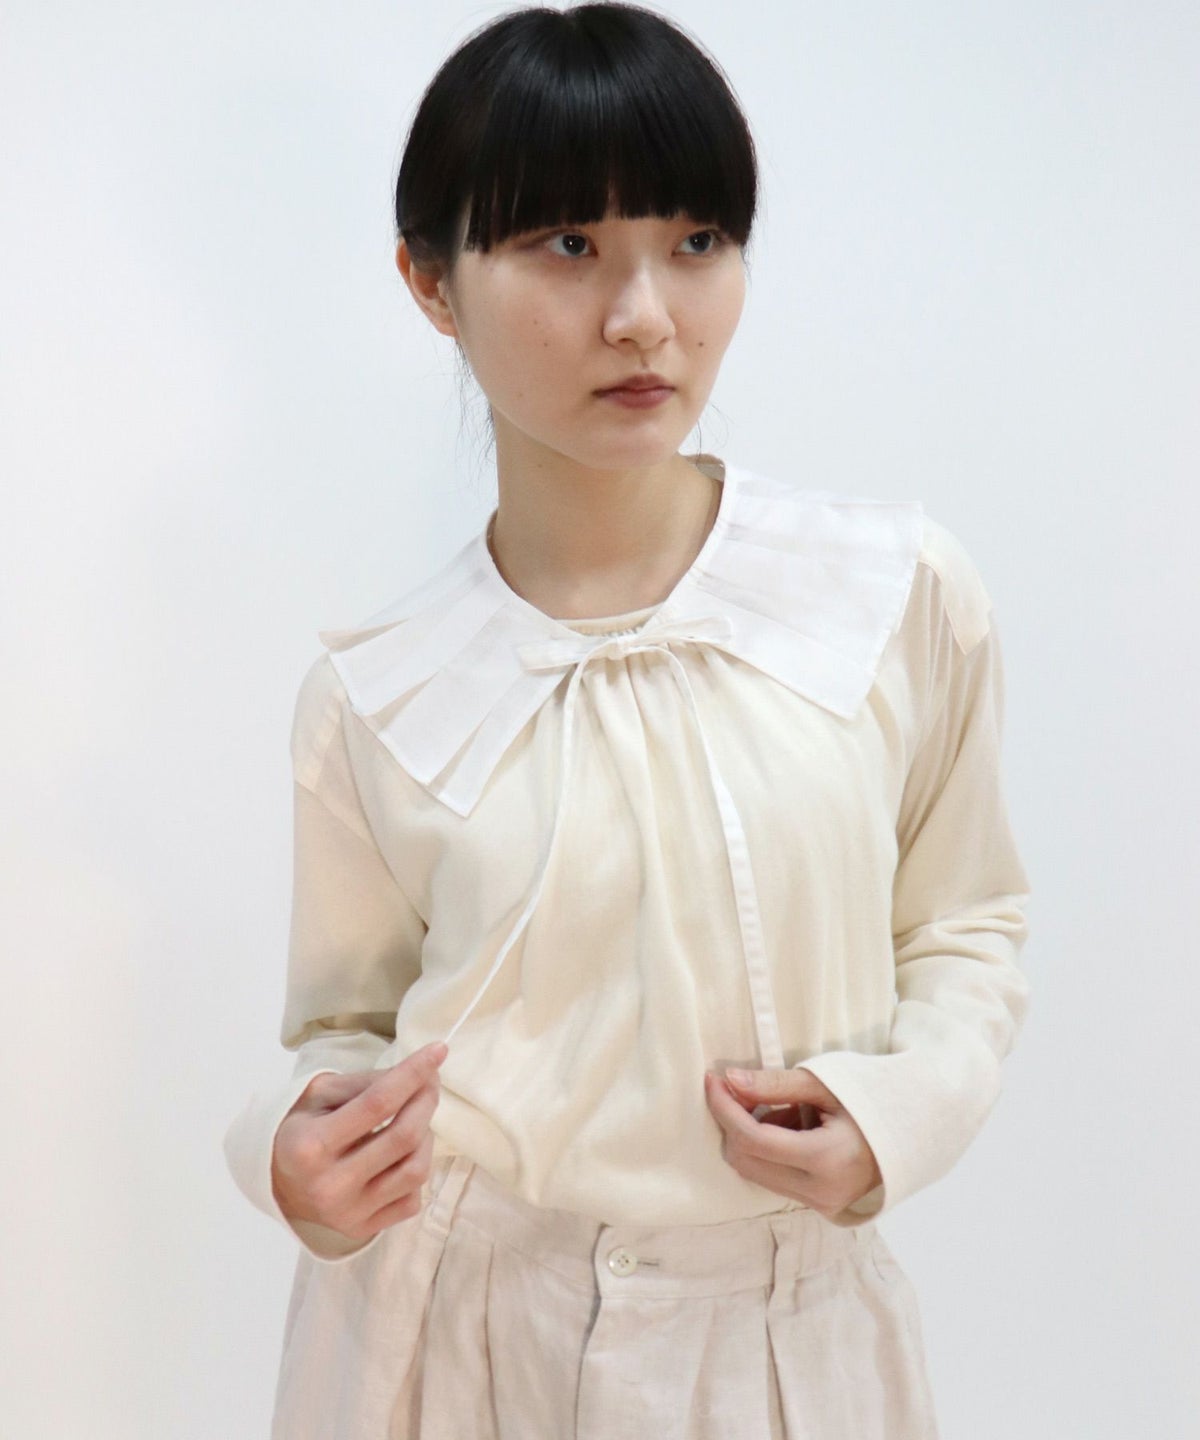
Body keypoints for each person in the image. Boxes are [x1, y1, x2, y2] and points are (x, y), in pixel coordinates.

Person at [224, 4, 1031, 1437]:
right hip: (445, 1345)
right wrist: (296, 1158)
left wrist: (900, 1116)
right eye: (568, 244)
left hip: (785, 1342)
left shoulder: (886, 596)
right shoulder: (378, 697)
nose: (646, 316)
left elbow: (965, 922)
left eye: (697, 240)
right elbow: (346, 1037)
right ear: (430, 282)